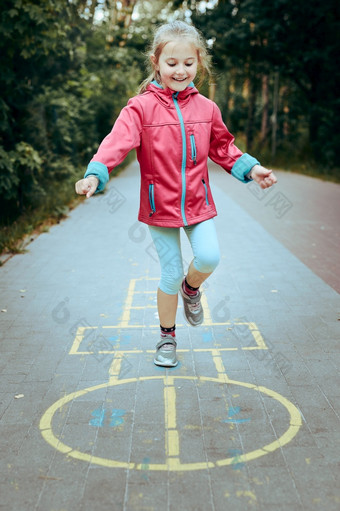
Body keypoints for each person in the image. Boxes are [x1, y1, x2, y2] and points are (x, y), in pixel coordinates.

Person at [75, 21, 277, 368]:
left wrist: (252, 168)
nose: (180, 71)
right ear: (156, 62)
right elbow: (116, 142)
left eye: (188, 63)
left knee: (209, 258)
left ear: (199, 62)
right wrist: (96, 173)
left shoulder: (207, 109)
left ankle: (191, 290)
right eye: (172, 63)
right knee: (169, 272)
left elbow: (224, 148)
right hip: (159, 207)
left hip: (198, 203)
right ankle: (167, 336)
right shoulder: (139, 108)